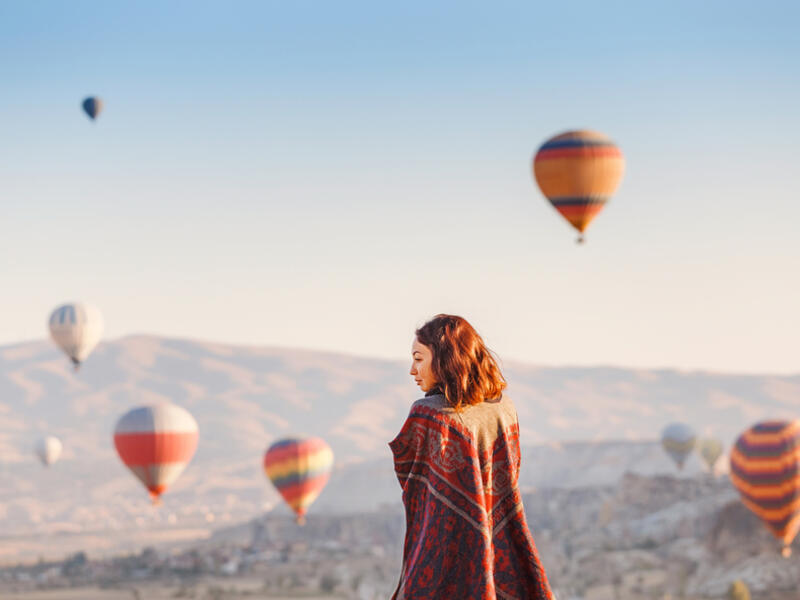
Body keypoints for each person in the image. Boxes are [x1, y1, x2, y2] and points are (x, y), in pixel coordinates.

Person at [389, 314, 553, 600]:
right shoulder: (505, 408)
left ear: (444, 359)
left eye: (418, 358)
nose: (412, 370)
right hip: (500, 540)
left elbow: (418, 487)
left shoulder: (429, 414)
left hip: (440, 549)